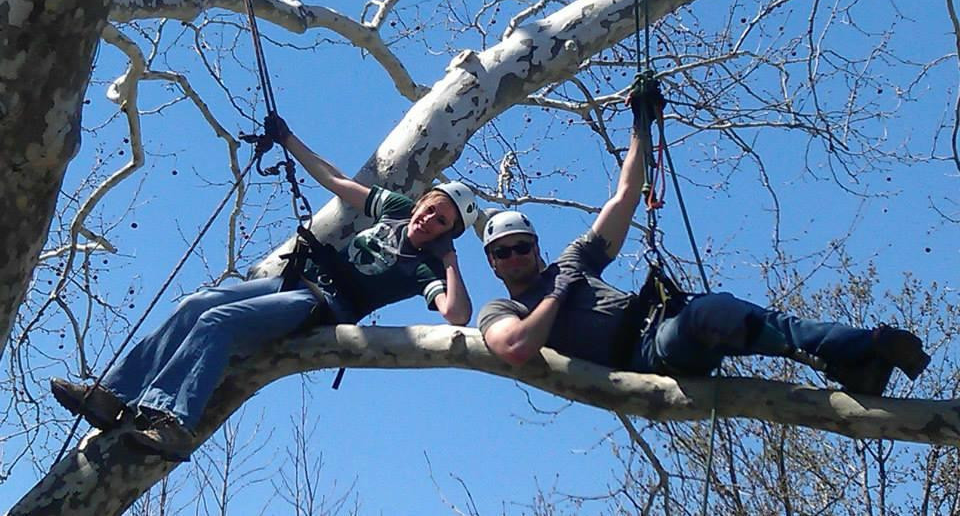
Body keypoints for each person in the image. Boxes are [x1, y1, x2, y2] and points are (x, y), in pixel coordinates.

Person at [51, 113, 478, 460]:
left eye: (441, 222)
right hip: (293, 280)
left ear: (447, 232)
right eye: (430, 208)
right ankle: (115, 394)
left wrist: (449, 260)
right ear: (421, 201)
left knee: (220, 321)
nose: (428, 220)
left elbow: (457, 315)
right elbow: (336, 182)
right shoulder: (397, 210)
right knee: (195, 303)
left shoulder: (424, 267)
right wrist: (289, 138)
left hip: (324, 306)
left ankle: (175, 421)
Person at [476, 82, 930, 397]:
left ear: (537, 248)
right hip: (643, 356)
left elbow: (625, 197)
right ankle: (847, 359)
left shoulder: (575, 260)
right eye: (503, 252)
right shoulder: (503, 310)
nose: (514, 255)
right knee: (710, 313)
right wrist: (557, 293)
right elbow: (515, 347)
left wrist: (641, 124)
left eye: (522, 246)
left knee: (731, 311)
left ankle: (862, 352)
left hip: (660, 324)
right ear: (493, 263)